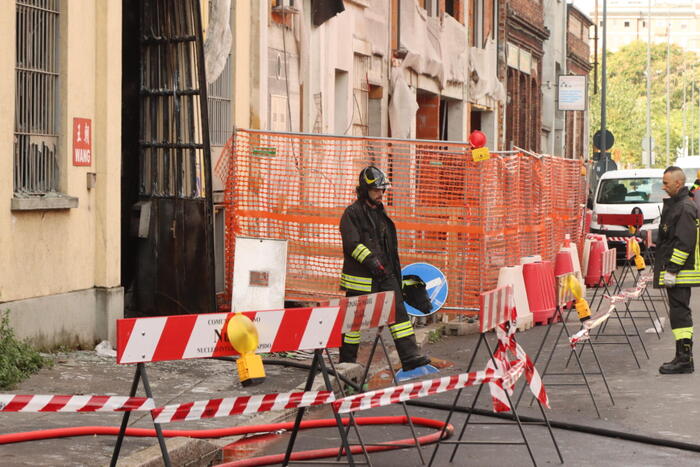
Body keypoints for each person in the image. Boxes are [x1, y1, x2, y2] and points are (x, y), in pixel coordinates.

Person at [338, 166, 431, 371]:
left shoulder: (380, 214)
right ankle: (346, 363)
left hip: (385, 275)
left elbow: (388, 248)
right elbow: (352, 245)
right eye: (376, 190)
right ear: (364, 190)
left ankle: (410, 356)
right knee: (353, 324)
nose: (381, 194)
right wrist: (372, 262)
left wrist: (394, 275)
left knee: (399, 315)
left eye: (382, 190)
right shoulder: (351, 214)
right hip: (362, 279)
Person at [655, 166, 700, 374]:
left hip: (681, 272)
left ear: (678, 183)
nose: (663, 187)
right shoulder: (679, 205)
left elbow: (684, 242)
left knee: (680, 314)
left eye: (666, 183)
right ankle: (682, 357)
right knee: (678, 313)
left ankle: (684, 359)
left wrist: (672, 270)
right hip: (678, 271)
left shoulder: (684, 207)